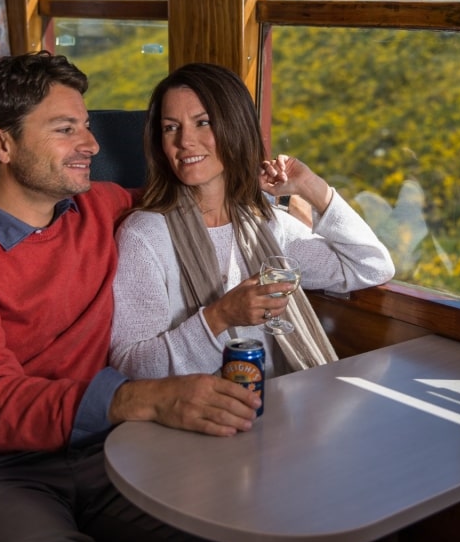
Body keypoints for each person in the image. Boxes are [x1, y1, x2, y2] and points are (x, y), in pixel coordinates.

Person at [0, 52, 259, 542]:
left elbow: (196, 194)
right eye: (66, 129)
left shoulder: (100, 207)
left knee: (239, 527)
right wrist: (143, 398)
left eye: (85, 126)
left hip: (110, 449)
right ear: (1, 143)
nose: (92, 143)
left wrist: (287, 190)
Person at [109, 62, 395, 380]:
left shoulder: (266, 225)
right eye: (170, 127)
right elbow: (133, 365)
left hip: (281, 406)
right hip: (198, 417)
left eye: (203, 122)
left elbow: (371, 267)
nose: (185, 141)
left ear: (236, 127)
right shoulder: (145, 236)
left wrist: (311, 187)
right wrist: (220, 316)